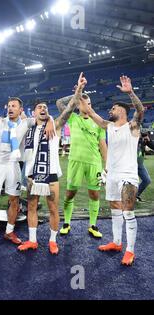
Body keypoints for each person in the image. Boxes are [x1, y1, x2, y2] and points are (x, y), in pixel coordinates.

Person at [18, 73, 87, 255]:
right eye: (39, 107)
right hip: (32, 175)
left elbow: (70, 107)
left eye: (45, 107)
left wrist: (79, 89)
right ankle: (32, 240)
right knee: (31, 207)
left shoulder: (55, 125)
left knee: (53, 208)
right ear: (33, 113)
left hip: (51, 175)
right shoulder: (26, 127)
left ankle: (52, 240)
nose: (43, 108)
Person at [79, 75, 144, 266]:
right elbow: (90, 112)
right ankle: (116, 243)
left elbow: (140, 111)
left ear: (122, 112)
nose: (110, 110)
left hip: (128, 176)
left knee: (128, 212)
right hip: (113, 175)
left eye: (113, 108)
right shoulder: (108, 127)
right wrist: (80, 94)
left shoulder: (132, 127)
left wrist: (130, 92)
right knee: (115, 208)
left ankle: (130, 251)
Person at [0, 97, 54, 246]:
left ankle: (9, 231)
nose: (10, 108)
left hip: (13, 165)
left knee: (14, 200)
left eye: (14, 106)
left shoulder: (26, 123)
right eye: (9, 106)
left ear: (21, 110)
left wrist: (50, 120)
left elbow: (42, 116)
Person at [56, 85, 108, 238]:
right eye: (85, 103)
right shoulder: (72, 118)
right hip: (75, 162)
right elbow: (59, 103)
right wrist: (77, 94)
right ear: (78, 105)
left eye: (90, 103)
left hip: (94, 163)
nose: (88, 105)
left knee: (94, 194)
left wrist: (107, 165)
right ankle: (66, 223)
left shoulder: (98, 123)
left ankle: (93, 225)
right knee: (70, 193)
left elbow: (102, 144)